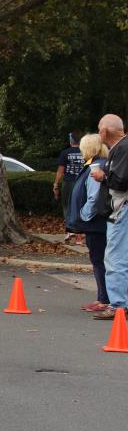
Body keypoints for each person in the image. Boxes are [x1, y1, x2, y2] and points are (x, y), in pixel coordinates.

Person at [90, 115, 127, 321]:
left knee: (115, 258)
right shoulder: (121, 148)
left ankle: (118, 305)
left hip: (120, 209)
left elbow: (121, 180)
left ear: (105, 132)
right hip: (120, 209)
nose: (98, 133)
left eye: (99, 129)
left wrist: (102, 176)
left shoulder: (122, 149)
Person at [68, 134, 108, 313]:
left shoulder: (95, 167)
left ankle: (103, 299)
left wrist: (83, 216)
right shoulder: (99, 164)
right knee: (102, 260)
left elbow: (94, 197)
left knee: (98, 260)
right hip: (99, 222)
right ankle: (104, 297)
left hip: (96, 223)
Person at [55, 132, 84, 242]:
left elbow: (60, 171)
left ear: (71, 140)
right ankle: (79, 235)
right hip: (82, 183)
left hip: (68, 182)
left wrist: (56, 184)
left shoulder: (65, 153)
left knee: (67, 206)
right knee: (80, 206)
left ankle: (70, 231)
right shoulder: (85, 152)